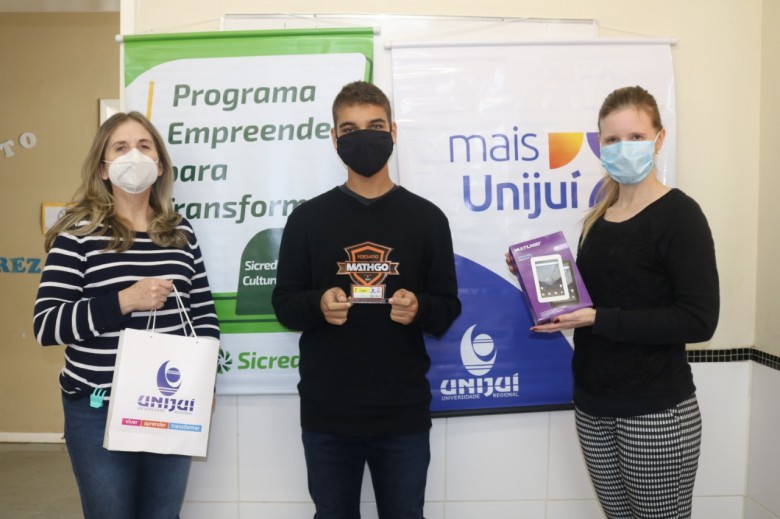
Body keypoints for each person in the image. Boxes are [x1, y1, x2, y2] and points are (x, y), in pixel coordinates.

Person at [272, 81, 461, 519]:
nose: (364, 137)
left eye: (375, 126)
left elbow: (447, 307)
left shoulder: (428, 218)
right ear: (334, 138)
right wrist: (318, 304)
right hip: (327, 413)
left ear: (393, 131)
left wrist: (420, 309)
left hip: (402, 412)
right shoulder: (307, 219)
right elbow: (284, 303)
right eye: (350, 129)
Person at [530, 85, 719, 519]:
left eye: (635, 137)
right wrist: (534, 274)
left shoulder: (680, 215)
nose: (623, 148)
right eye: (612, 140)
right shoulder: (599, 218)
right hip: (593, 405)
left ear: (659, 139)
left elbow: (698, 320)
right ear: (599, 145)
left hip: (655, 411)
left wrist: (599, 319)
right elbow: (589, 301)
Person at [33, 111, 220, 519]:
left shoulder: (180, 232)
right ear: (103, 168)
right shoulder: (77, 234)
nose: (133, 155)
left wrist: (205, 382)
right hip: (97, 408)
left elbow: (203, 313)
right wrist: (123, 301)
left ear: (160, 164)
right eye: (120, 147)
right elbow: (46, 325)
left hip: (168, 403)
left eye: (144, 146)